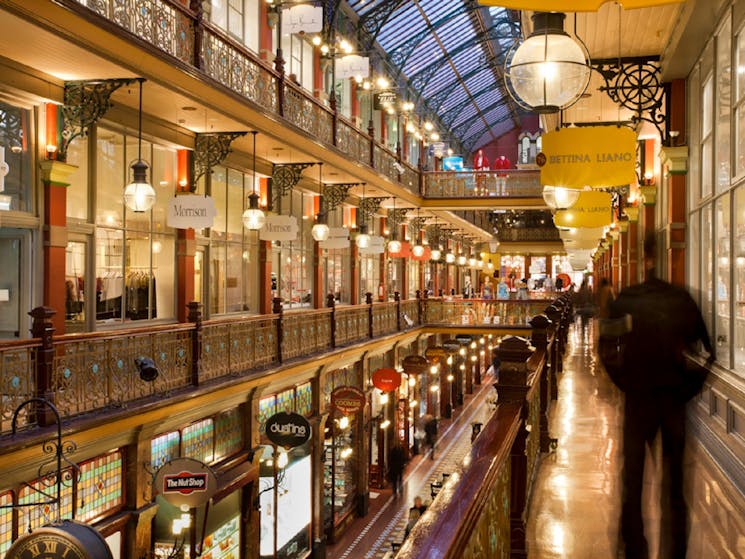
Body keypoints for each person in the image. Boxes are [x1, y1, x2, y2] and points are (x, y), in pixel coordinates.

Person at [601, 233, 714, 559]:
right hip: (673, 403)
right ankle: (675, 551)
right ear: (667, 256)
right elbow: (709, 353)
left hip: (638, 402)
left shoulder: (627, 300)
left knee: (632, 483)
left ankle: (635, 549)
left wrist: (626, 383)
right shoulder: (682, 300)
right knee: (675, 487)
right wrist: (687, 389)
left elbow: (606, 350)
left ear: (640, 258)